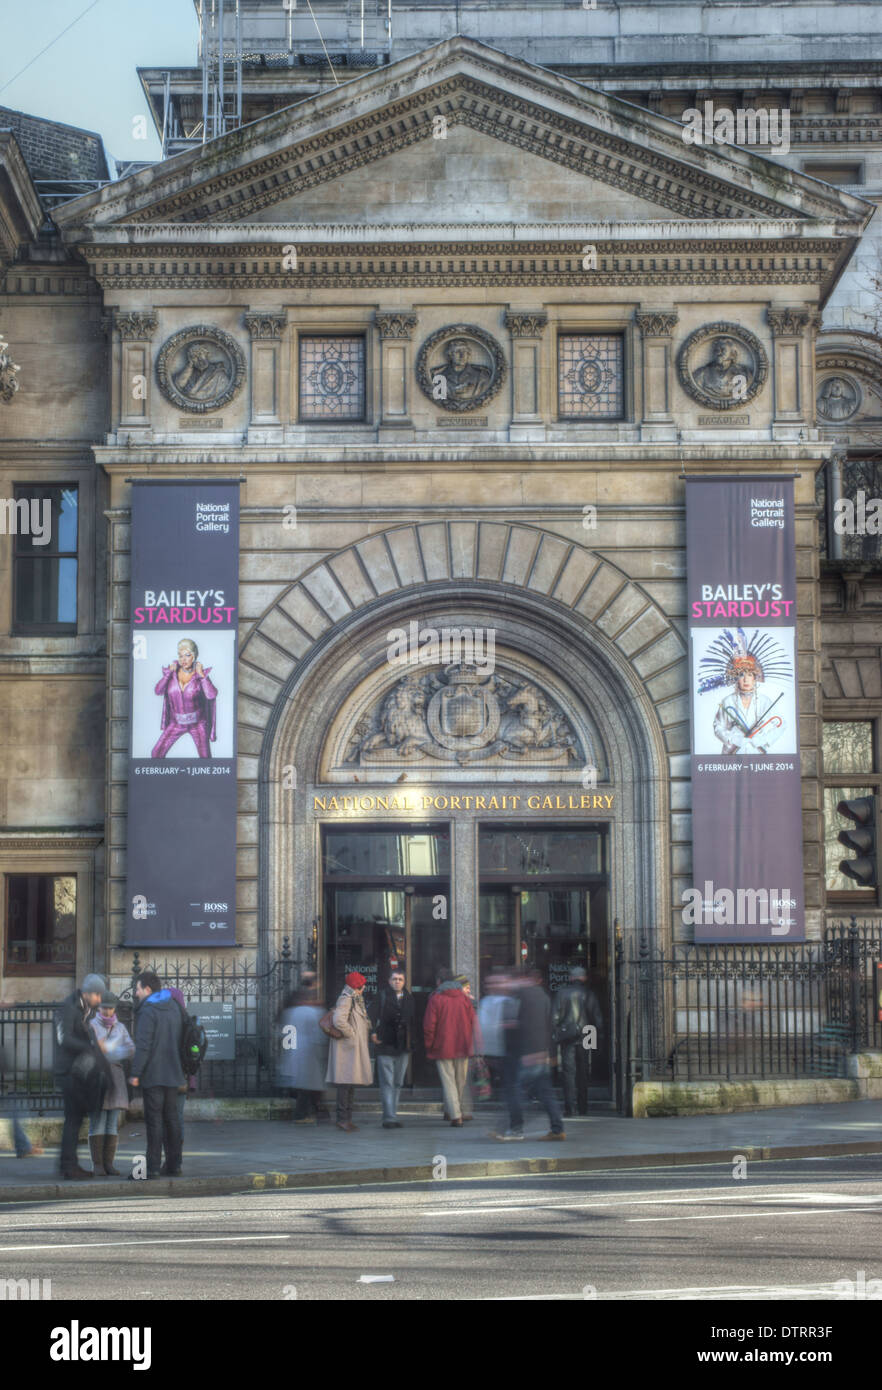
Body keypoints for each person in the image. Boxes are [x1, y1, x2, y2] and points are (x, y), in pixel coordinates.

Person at [496, 970, 565, 1142]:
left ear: (523, 978)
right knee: (546, 1093)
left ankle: (514, 1129)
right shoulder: (544, 996)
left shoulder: (522, 996)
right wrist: (550, 1053)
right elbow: (550, 1027)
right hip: (542, 1054)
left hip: (528, 1054)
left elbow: (526, 1025)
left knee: (515, 1091)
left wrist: (527, 1051)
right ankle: (557, 1129)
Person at [130, 971, 185, 1179]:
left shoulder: (148, 1010)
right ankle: (174, 1164)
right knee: (172, 1120)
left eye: (137, 989)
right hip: (173, 1072)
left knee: (154, 1122)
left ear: (147, 989)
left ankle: (152, 1167)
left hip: (153, 1074)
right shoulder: (174, 1006)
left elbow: (143, 1045)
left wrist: (135, 1073)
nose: (136, 993)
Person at [54, 972, 107, 1179]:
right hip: (68, 1072)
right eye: (98, 995)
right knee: (73, 1120)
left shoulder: (84, 1010)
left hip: (76, 1073)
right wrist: (91, 1046)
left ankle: (68, 1164)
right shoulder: (69, 1007)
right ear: (88, 993)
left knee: (75, 1120)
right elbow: (64, 1038)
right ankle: (68, 1166)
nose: (100, 1000)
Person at [423, 968, 479, 1127]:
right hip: (463, 1046)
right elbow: (473, 1022)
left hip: (443, 1047)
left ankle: (455, 1115)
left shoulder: (436, 998)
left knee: (449, 1081)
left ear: (439, 982)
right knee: (460, 1081)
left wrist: (429, 1045)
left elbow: (429, 1026)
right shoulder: (464, 998)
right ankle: (451, 1110)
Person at [88, 991, 135, 1175]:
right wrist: (107, 1049)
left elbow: (131, 1049)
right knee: (97, 1122)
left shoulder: (120, 1027)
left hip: (115, 1077)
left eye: (110, 1008)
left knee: (111, 1123)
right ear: (98, 1008)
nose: (107, 1011)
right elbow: (91, 1050)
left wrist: (111, 1049)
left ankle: (109, 1164)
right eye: (104, 1007)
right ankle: (98, 1165)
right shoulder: (91, 1025)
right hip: (97, 1077)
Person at [151, 639, 218, 759]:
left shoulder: (199, 675)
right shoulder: (172, 674)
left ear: (194, 656)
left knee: (205, 757)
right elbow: (158, 691)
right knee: (156, 753)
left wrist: (202, 676)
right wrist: (168, 675)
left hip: (197, 724)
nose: (183, 659)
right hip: (176, 723)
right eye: (180, 656)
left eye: (187, 655)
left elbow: (211, 695)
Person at [277, 973, 329, 1123]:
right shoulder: (315, 1012)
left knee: (305, 1086)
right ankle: (307, 1114)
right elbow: (320, 1035)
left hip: (295, 1051)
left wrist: (290, 1052)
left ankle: (312, 1113)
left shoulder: (290, 1012)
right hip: (309, 1053)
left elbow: (285, 1034)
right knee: (311, 1086)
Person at [326, 972, 372, 1132]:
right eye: (363, 984)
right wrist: (351, 1034)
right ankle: (342, 1119)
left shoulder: (354, 998)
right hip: (347, 1049)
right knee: (345, 1085)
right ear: (358, 986)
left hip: (351, 1049)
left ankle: (347, 1118)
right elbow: (339, 1020)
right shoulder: (347, 999)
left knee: (350, 1085)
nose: (365, 987)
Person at [552, 967, 601, 1118]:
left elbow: (554, 1017)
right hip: (588, 1033)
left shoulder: (561, 992)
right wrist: (600, 1036)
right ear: (583, 978)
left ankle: (569, 1108)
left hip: (568, 1034)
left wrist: (556, 1033)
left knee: (568, 1073)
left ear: (571, 978)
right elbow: (597, 1018)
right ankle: (583, 1107)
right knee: (584, 1071)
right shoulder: (590, 993)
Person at [713, 655, 785, 755]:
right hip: (732, 755)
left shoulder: (765, 701)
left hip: (756, 754)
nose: (746, 680)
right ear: (736, 679)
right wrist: (732, 739)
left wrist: (764, 740)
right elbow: (718, 727)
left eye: (750, 675)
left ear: (755, 678)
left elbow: (781, 724)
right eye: (742, 675)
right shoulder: (727, 701)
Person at [369, 970, 414, 1129]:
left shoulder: (409, 998)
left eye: (400, 979)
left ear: (404, 981)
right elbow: (371, 1016)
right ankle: (389, 1117)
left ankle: (392, 1114)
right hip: (385, 1044)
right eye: (394, 979)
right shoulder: (381, 996)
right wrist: (373, 1032)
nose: (397, 982)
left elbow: (413, 1021)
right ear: (389, 981)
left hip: (403, 1046)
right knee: (387, 1082)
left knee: (398, 1082)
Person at [478, 973, 513, 1098]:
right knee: (490, 1076)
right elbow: (481, 1024)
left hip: (505, 1048)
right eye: (489, 983)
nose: (491, 986)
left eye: (495, 983)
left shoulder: (509, 1002)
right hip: (489, 1049)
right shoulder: (485, 1001)